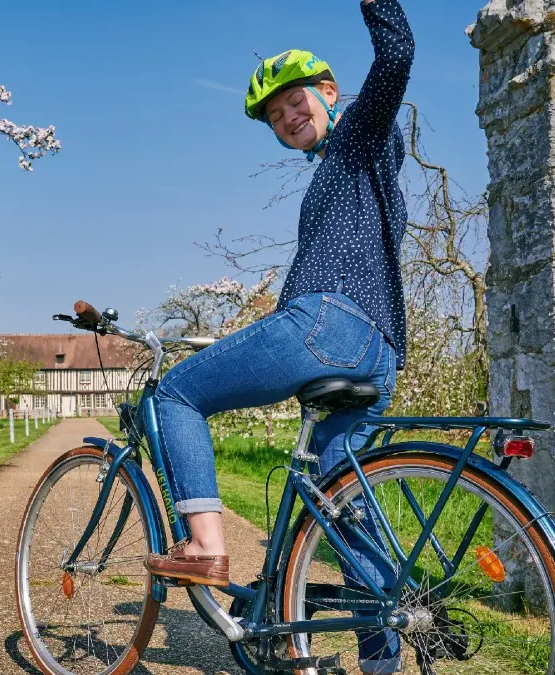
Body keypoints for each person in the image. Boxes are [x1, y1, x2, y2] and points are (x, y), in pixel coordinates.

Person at [144, 0, 414, 672]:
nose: (288, 118)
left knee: (173, 395)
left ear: (329, 93)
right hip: (378, 351)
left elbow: (397, 54)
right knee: (342, 502)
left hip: (331, 327)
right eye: (276, 117)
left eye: (294, 102)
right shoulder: (354, 165)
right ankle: (382, 658)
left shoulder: (358, 138)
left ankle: (203, 545)